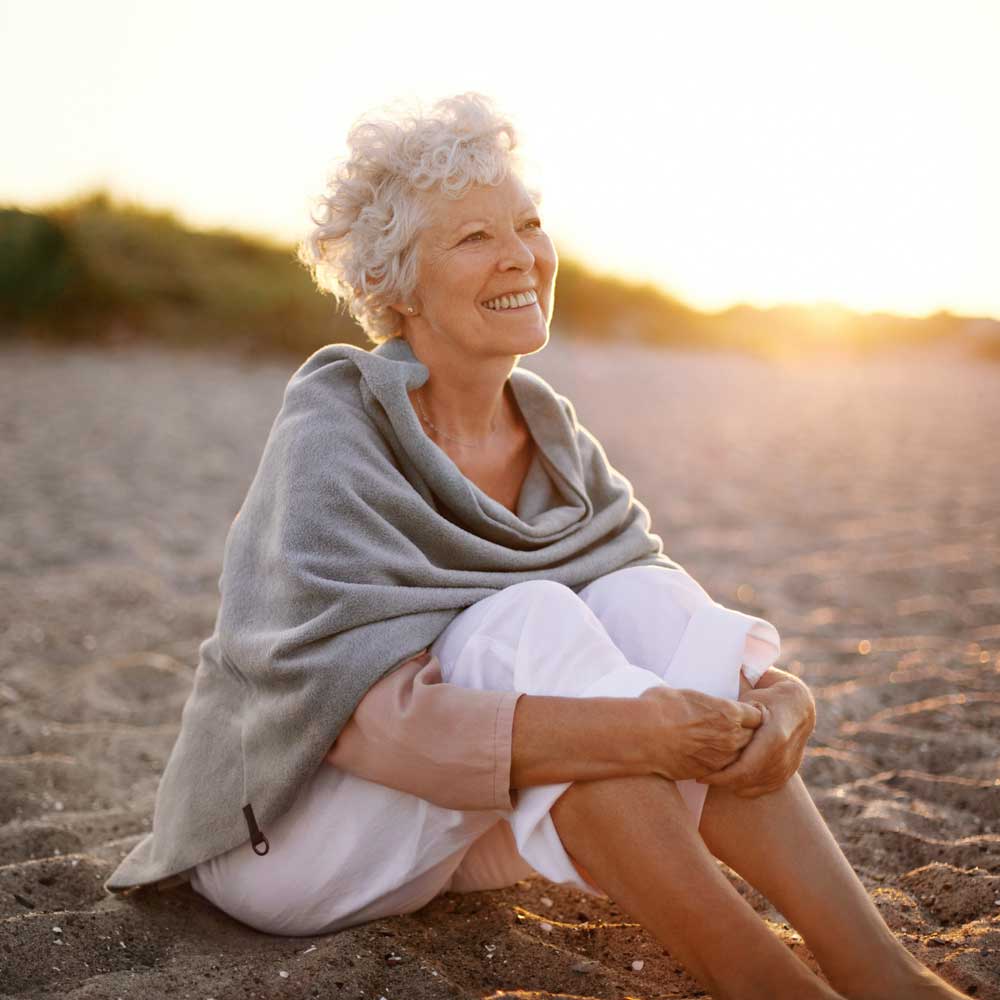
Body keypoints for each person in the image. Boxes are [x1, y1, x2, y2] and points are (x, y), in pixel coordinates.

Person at [106, 93, 969, 1000]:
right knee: (525, 619)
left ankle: (883, 975)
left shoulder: (553, 435)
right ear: (397, 284)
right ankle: (765, 984)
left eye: (528, 224)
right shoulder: (335, 432)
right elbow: (367, 728)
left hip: (454, 830)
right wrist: (639, 730)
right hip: (286, 837)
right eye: (474, 237)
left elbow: (669, 625)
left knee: (635, 598)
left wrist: (781, 703)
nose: (522, 254)